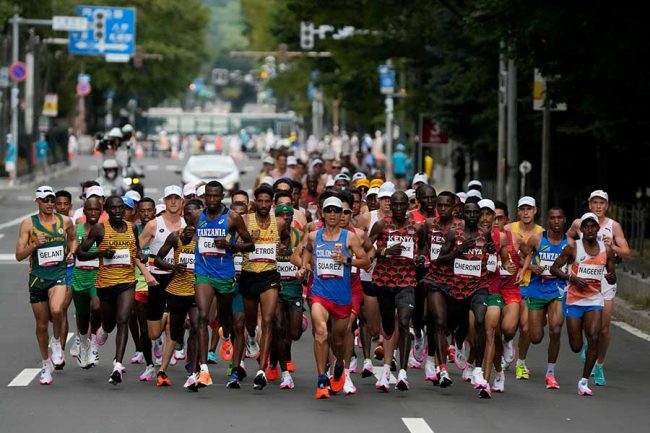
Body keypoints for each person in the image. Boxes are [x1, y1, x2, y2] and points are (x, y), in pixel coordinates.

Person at [299, 196, 370, 399]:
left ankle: (339, 363)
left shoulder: (350, 238)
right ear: (322, 213)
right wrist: (304, 267)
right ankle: (322, 378)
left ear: (341, 215)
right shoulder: (314, 236)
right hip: (319, 294)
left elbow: (365, 262)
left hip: (342, 297)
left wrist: (347, 260)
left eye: (335, 211)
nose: (331, 214)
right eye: (328, 210)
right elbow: (307, 251)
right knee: (320, 332)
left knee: (338, 341)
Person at [77, 196, 144, 385]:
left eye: (120, 208)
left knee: (123, 319)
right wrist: (101, 253)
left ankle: (117, 365)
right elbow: (80, 254)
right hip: (105, 284)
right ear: (107, 210)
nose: (117, 211)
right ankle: (104, 330)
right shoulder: (100, 229)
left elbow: (136, 249)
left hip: (127, 282)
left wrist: (141, 255)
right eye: (113, 208)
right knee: (109, 323)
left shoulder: (131, 227)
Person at [566, 190, 630, 386]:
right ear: (589, 204)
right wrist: (573, 256)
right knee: (587, 330)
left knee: (603, 328)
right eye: (595, 202)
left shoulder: (613, 226)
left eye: (602, 203)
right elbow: (569, 236)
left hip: (604, 280)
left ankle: (599, 364)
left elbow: (626, 252)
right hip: (583, 280)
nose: (598, 206)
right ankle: (589, 346)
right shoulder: (580, 223)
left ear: (607, 206)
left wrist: (613, 247)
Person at [193, 181, 254, 388]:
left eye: (215, 196)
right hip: (203, 273)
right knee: (202, 316)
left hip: (226, 276)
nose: (211, 200)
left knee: (228, 320)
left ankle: (226, 338)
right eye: (208, 196)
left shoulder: (232, 218)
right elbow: (189, 237)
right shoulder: (196, 216)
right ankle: (203, 370)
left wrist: (230, 245)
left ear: (222, 196)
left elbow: (250, 244)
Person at [15, 186, 76, 384]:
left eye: (52, 200)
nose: (50, 204)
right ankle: (45, 364)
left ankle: (56, 341)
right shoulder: (28, 224)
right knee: (41, 325)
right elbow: (18, 255)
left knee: (57, 310)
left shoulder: (65, 221)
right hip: (37, 278)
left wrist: (71, 252)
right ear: (37, 202)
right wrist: (34, 245)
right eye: (45, 200)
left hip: (58, 275)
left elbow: (73, 239)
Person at [551, 212, 616, 396]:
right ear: (582, 229)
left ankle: (584, 381)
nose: (589, 229)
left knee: (594, 337)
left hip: (595, 299)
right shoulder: (573, 248)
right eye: (585, 226)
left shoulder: (606, 250)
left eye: (592, 226)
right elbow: (554, 268)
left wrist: (611, 277)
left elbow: (612, 277)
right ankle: (586, 346)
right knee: (576, 345)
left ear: (597, 229)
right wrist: (572, 278)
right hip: (574, 299)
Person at [369, 191, 427, 391]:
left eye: (404, 205)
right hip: (384, 282)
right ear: (390, 206)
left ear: (407, 206)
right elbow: (366, 249)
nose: (400, 208)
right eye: (396, 205)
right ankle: (386, 370)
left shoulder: (416, 228)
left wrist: (420, 259)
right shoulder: (381, 225)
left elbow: (423, 250)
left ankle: (402, 372)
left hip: (407, 282)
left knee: (403, 322)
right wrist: (384, 252)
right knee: (388, 326)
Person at [239, 185, 290, 390]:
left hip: (269, 275)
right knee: (251, 323)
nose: (263, 205)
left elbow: (285, 238)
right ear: (255, 201)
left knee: (268, 320)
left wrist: (282, 247)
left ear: (273, 203)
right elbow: (235, 241)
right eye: (260, 201)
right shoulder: (245, 220)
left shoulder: (279, 223)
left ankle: (261, 370)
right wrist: (245, 242)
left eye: (267, 201)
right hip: (249, 275)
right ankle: (251, 337)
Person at [153, 199, 204, 390]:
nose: (192, 217)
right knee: (174, 332)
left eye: (196, 213)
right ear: (185, 215)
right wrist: (173, 266)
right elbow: (158, 259)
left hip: (199, 290)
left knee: (198, 327)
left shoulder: (206, 238)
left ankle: (194, 370)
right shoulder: (176, 236)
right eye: (188, 213)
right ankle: (162, 371)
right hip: (178, 290)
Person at [137, 186, 186, 380]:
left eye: (177, 198)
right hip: (157, 279)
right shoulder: (153, 225)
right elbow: (135, 251)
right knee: (153, 334)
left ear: (182, 201)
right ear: (164, 201)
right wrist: (146, 274)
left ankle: (162, 370)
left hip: (180, 280)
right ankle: (163, 326)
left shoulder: (187, 224)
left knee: (172, 327)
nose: (173, 202)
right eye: (169, 198)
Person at [420, 191, 463, 387]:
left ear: (454, 207)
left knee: (449, 324)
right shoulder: (429, 225)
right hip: (434, 278)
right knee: (438, 321)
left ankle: (450, 348)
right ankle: (442, 369)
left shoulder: (460, 227)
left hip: (457, 281)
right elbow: (421, 246)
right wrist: (421, 256)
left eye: (447, 205)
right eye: (440, 205)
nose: (443, 209)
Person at [524, 207, 568, 390]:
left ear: (564, 220)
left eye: (559, 218)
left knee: (556, 329)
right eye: (552, 218)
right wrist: (531, 268)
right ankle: (542, 317)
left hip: (558, 290)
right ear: (548, 221)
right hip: (537, 290)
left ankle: (550, 373)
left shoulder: (571, 243)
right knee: (535, 337)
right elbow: (523, 256)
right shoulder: (537, 238)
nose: (556, 221)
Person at [505, 196, 543, 379]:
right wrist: (523, 264)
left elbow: (546, 258)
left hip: (531, 285)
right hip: (508, 283)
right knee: (508, 328)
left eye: (529, 208)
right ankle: (506, 345)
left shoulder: (541, 233)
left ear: (535, 210)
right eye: (523, 209)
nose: (526, 212)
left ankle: (521, 363)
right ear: (518, 211)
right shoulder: (508, 230)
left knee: (526, 328)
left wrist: (537, 267)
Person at [70, 197, 104, 369]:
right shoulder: (77, 229)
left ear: (101, 211)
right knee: (83, 316)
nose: (92, 213)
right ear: (84, 211)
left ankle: (94, 344)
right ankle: (84, 343)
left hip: (97, 277)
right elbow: (69, 248)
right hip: (79, 278)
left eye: (96, 210)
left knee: (97, 308)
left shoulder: (104, 230)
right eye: (89, 210)